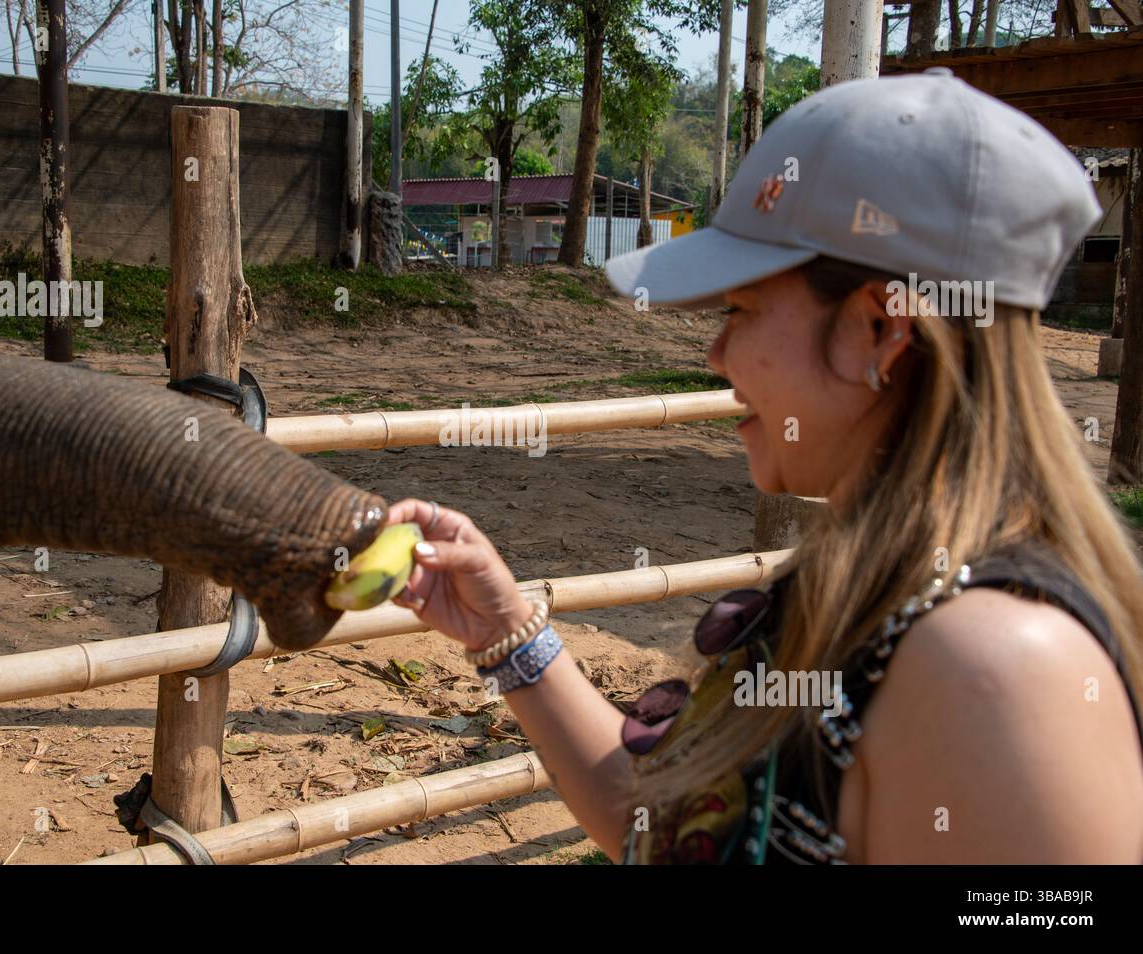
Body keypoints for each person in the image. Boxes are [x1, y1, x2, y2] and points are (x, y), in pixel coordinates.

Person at [387, 69, 1143, 864]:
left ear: (879, 329)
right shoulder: (884, 598)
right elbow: (671, 835)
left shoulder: (994, 672)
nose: (716, 354)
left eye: (739, 310)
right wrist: (508, 634)